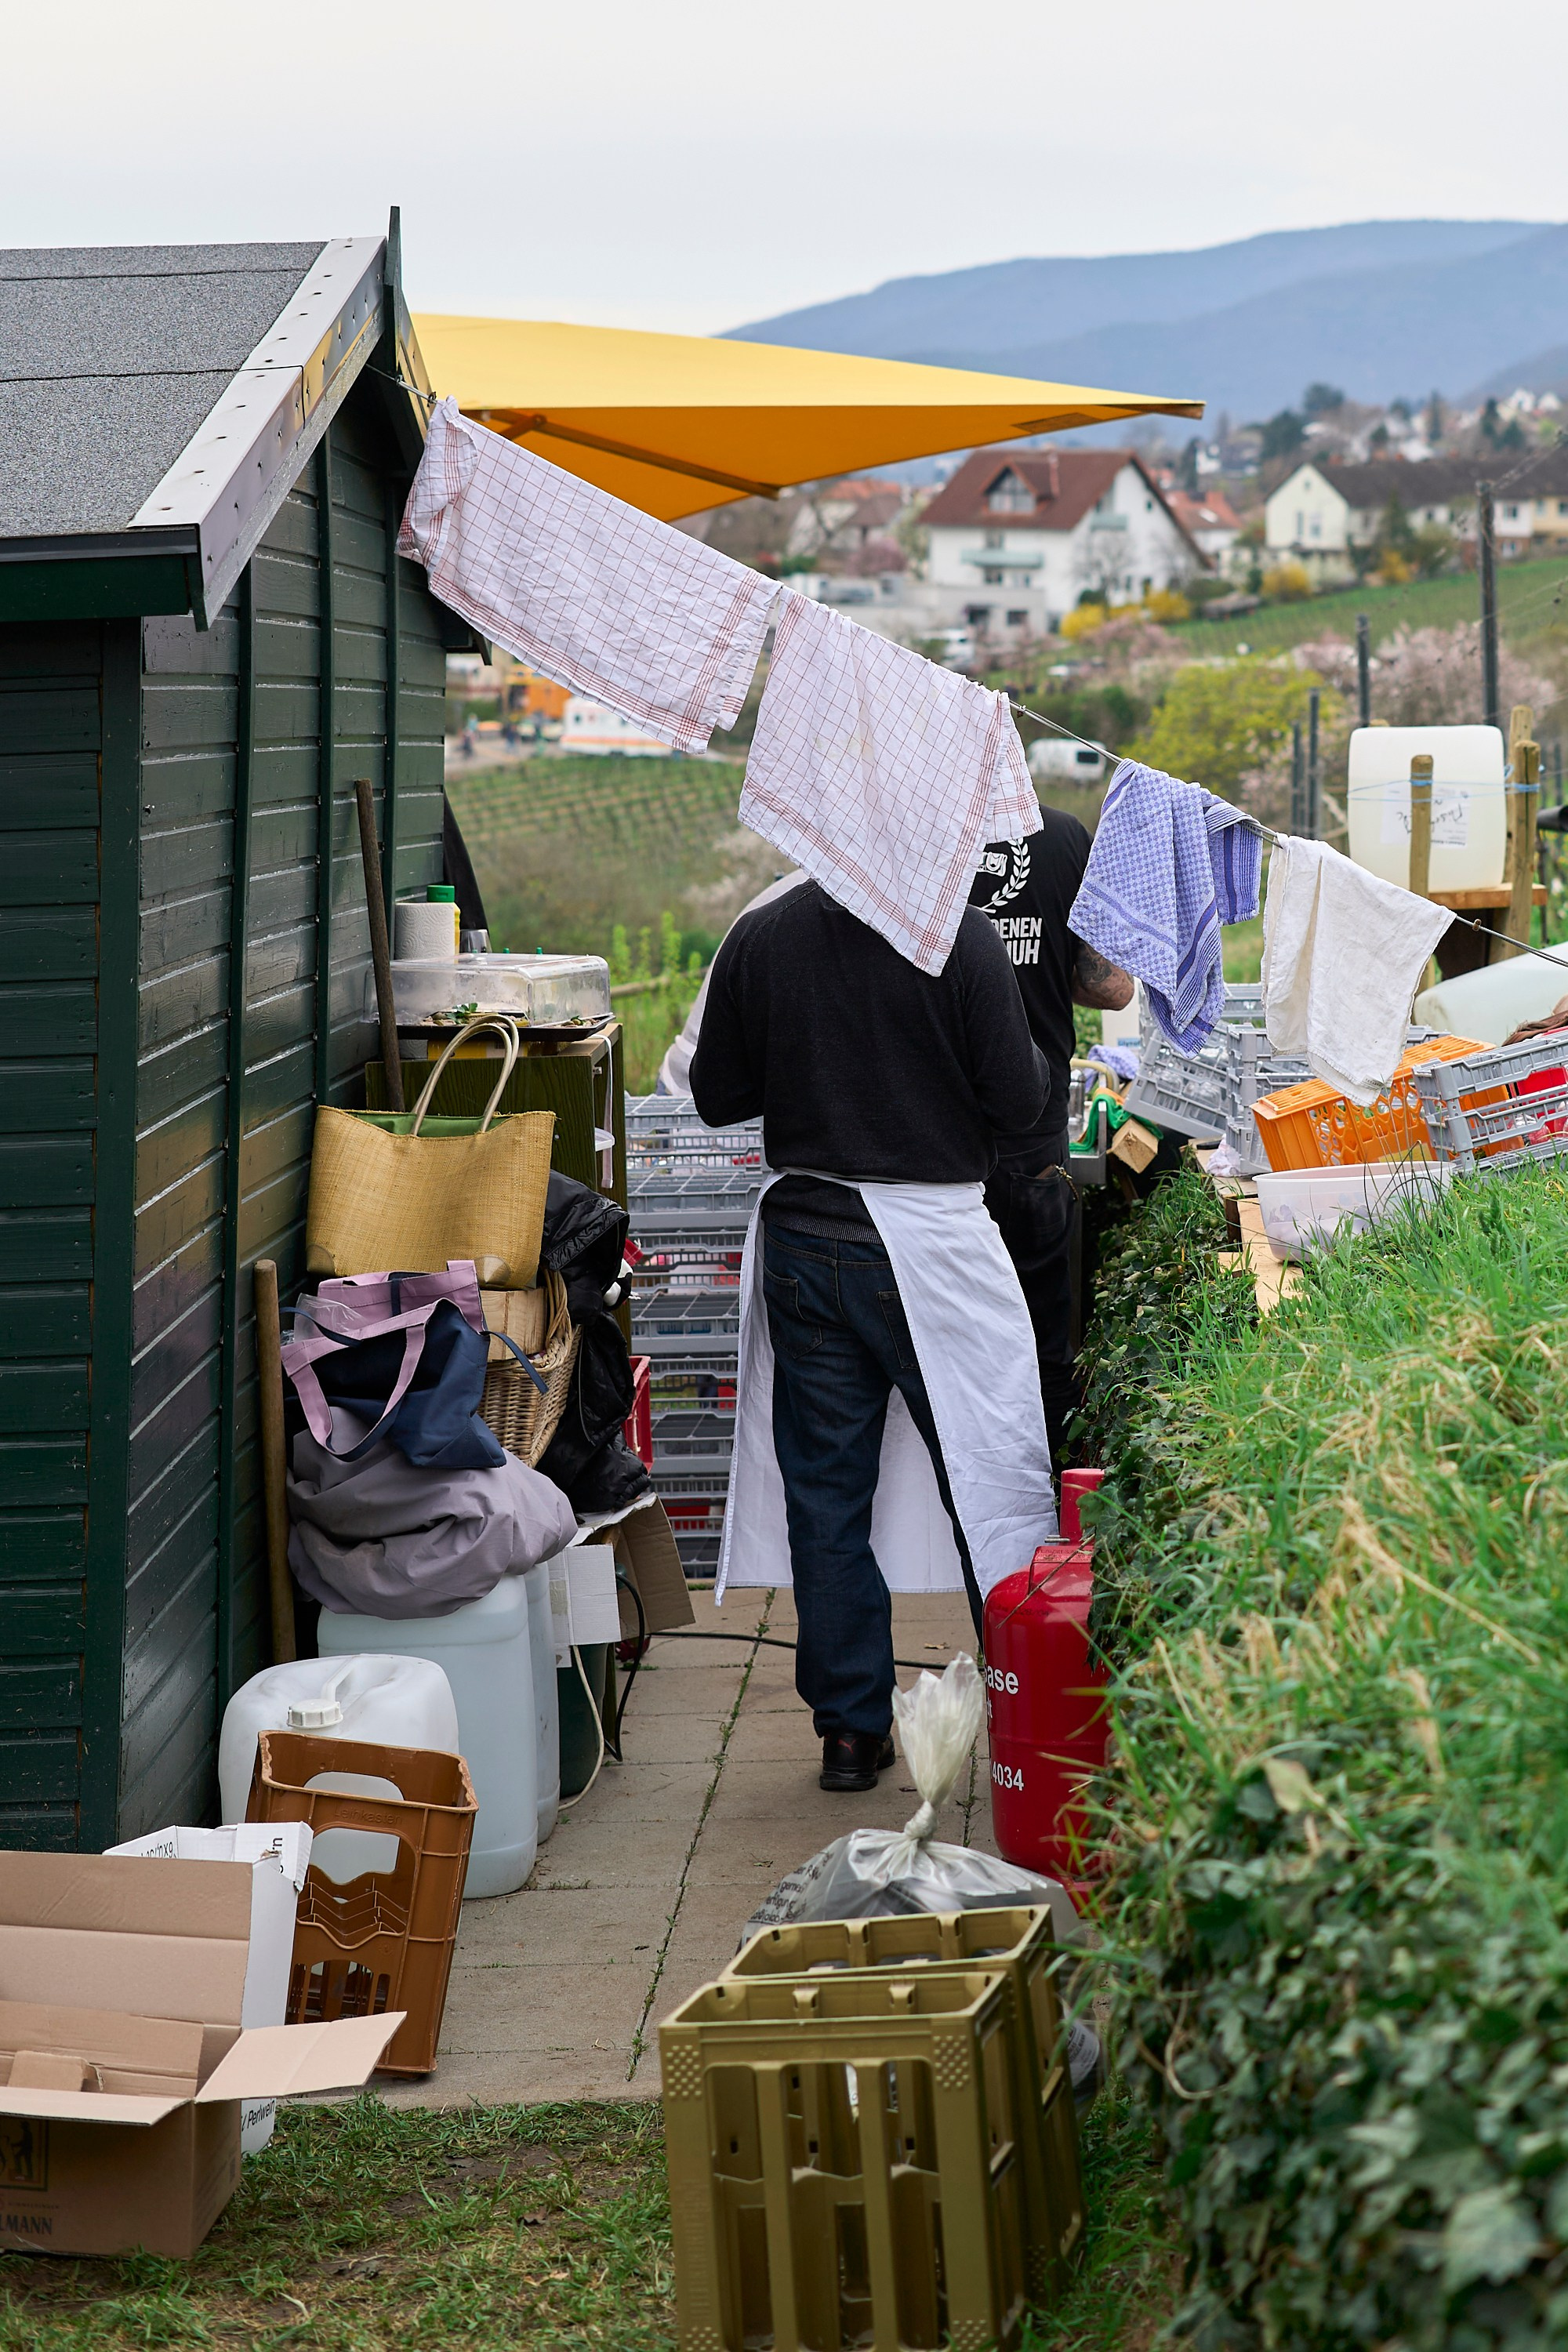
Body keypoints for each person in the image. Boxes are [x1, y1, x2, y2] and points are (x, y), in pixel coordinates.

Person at [691, 879, 1058, 1794]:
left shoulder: (761, 933)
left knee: (825, 1496)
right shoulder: (959, 936)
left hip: (807, 1241)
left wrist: (812, 1053)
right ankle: (1028, 1708)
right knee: (992, 1476)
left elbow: (714, 1094)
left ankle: (850, 1734)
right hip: (931, 1245)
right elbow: (1018, 1108)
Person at [967, 815, 1133, 1468]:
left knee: (947, 1336)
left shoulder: (918, 827)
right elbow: (1110, 988)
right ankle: (1048, 1508)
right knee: (1041, 1335)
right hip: (1031, 1132)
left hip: (927, 1136)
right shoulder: (1062, 837)